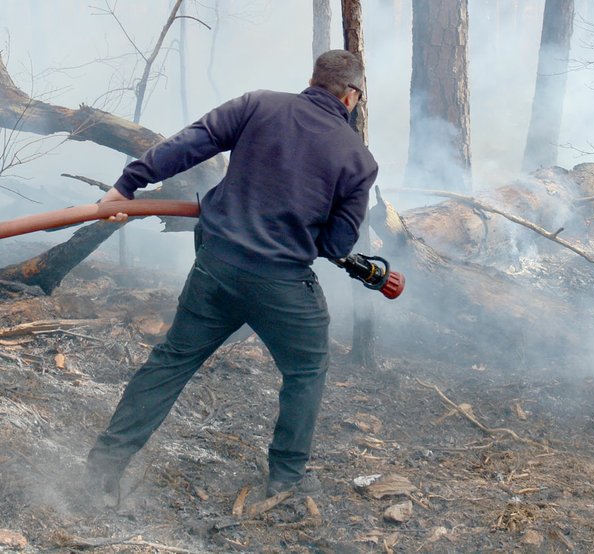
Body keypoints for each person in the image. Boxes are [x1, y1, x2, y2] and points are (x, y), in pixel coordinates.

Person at [85, 49, 378, 503]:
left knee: (171, 361)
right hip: (281, 284)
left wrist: (128, 184)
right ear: (352, 96)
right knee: (305, 369)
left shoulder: (257, 104)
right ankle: (285, 480)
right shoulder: (358, 160)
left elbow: (190, 142)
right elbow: (337, 245)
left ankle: (103, 469)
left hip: (216, 265)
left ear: (314, 80)